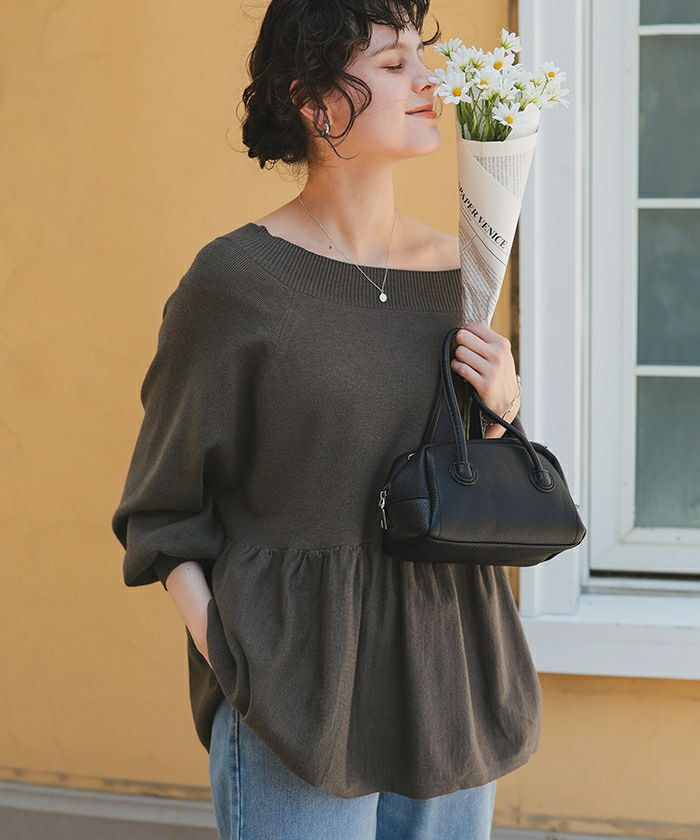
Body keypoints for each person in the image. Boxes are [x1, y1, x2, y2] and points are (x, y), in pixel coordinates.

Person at [111, 2, 541, 838]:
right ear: (313, 102)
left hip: (450, 678)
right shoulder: (234, 284)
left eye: (423, 57)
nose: (428, 83)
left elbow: (463, 490)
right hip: (298, 696)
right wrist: (235, 658)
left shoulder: (462, 272)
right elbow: (163, 509)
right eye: (392, 65)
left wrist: (500, 414)